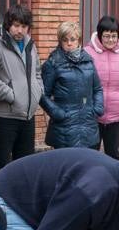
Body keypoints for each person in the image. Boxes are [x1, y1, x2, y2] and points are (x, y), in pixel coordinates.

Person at [0, 4, 42, 180]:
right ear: (8, 24)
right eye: (16, 25)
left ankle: (17, 203)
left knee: (24, 166)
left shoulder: (30, 45)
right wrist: (12, 96)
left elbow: (37, 73)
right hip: (4, 117)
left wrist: (37, 92)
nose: (20, 30)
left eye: (24, 26)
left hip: (27, 116)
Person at [40, 21, 103, 149]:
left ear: (78, 40)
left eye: (73, 39)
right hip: (64, 128)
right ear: (60, 41)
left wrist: (97, 109)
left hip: (88, 126)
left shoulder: (88, 62)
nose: (69, 43)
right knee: (66, 167)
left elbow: (97, 89)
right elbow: (42, 95)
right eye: (65, 40)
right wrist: (59, 113)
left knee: (88, 166)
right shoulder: (52, 63)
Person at [84, 15, 119, 160]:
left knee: (113, 155)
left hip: (115, 115)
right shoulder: (87, 53)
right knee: (90, 154)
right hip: (92, 114)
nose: (111, 40)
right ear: (100, 35)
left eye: (114, 36)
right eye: (106, 36)